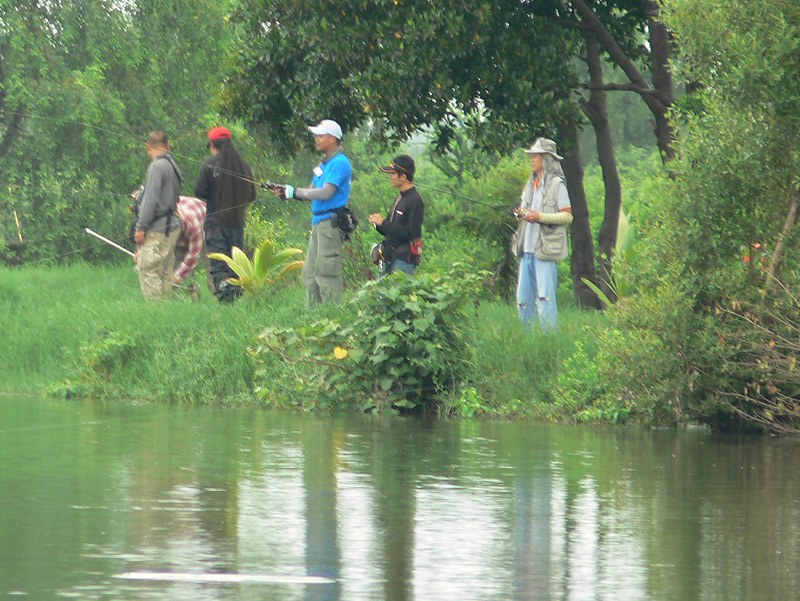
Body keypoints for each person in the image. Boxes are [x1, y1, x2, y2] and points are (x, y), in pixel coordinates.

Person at [273, 119, 352, 306]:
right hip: (319, 224)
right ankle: (314, 318)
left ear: (333, 138)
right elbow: (310, 190)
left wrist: (296, 192)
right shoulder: (323, 164)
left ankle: (332, 317)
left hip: (330, 224)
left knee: (327, 272)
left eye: (320, 135)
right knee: (310, 274)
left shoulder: (340, 162)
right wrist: (288, 192)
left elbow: (326, 192)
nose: (316, 139)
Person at [513, 137, 573, 332]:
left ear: (547, 158)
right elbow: (523, 209)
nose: (532, 159)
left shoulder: (557, 185)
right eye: (531, 155)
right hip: (527, 250)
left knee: (545, 298)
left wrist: (539, 217)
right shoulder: (530, 184)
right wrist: (520, 213)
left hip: (545, 251)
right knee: (523, 300)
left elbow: (567, 216)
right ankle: (528, 341)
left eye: (536, 155)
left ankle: (549, 340)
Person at [194, 126, 255, 303]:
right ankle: (236, 299)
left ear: (213, 144)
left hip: (215, 223)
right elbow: (252, 195)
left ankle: (225, 301)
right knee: (235, 264)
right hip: (237, 224)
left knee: (219, 264)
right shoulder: (243, 165)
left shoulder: (209, 164)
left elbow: (199, 191)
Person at [134, 131, 182, 301]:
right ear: (168, 146)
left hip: (158, 229)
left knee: (148, 270)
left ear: (148, 146)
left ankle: (156, 311)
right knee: (165, 273)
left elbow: (151, 200)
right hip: (173, 226)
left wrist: (141, 227)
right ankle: (166, 313)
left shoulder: (156, 167)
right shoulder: (173, 166)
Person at [368, 154, 424, 277]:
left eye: (393, 174)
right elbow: (390, 230)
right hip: (390, 259)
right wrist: (377, 224)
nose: (390, 177)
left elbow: (411, 234)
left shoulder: (415, 200)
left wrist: (384, 223)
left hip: (403, 262)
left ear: (403, 176)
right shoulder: (399, 198)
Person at [172, 195, 207, 297]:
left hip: (207, 227)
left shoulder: (193, 225)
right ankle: (169, 298)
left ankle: (216, 302)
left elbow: (194, 255)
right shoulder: (164, 218)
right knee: (174, 265)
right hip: (185, 210)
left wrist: (177, 277)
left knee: (212, 266)